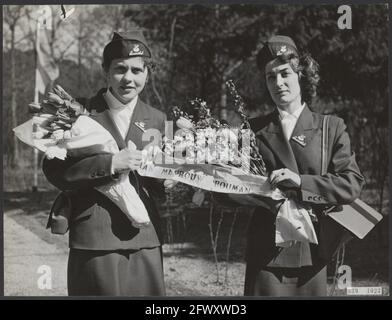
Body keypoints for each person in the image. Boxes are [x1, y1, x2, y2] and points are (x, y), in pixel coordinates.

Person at [225, 35, 365, 296]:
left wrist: (302, 182)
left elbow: (351, 184)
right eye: (270, 77)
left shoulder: (330, 127)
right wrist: (203, 180)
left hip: (312, 252)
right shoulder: (252, 130)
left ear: (300, 74)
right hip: (266, 254)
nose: (278, 83)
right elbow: (230, 191)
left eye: (285, 73)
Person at [42, 30, 167, 296]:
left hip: (145, 237)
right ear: (105, 71)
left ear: (147, 73)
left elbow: (158, 179)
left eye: (137, 70)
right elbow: (53, 170)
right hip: (95, 236)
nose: (129, 79)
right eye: (120, 69)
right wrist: (110, 164)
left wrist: (175, 184)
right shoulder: (78, 111)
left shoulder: (157, 118)